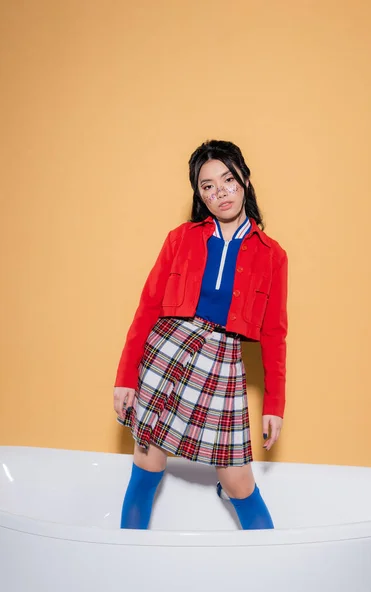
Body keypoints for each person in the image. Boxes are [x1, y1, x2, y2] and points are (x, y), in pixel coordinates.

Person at [113, 139, 288, 531]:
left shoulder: (272, 254)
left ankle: (276, 574)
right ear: (199, 194)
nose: (219, 191)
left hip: (224, 360)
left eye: (227, 179)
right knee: (147, 464)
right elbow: (147, 308)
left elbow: (275, 332)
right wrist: (125, 377)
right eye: (207, 185)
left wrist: (274, 403)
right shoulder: (181, 238)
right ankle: (125, 566)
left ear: (244, 178)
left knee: (238, 480)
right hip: (169, 351)